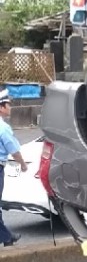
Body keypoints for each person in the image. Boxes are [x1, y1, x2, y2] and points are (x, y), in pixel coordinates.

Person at [0, 89, 27, 247]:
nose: (10, 108)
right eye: (8, 105)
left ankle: (6, 237)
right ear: (1, 107)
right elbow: (14, 150)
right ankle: (6, 236)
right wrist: (22, 164)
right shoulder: (3, 128)